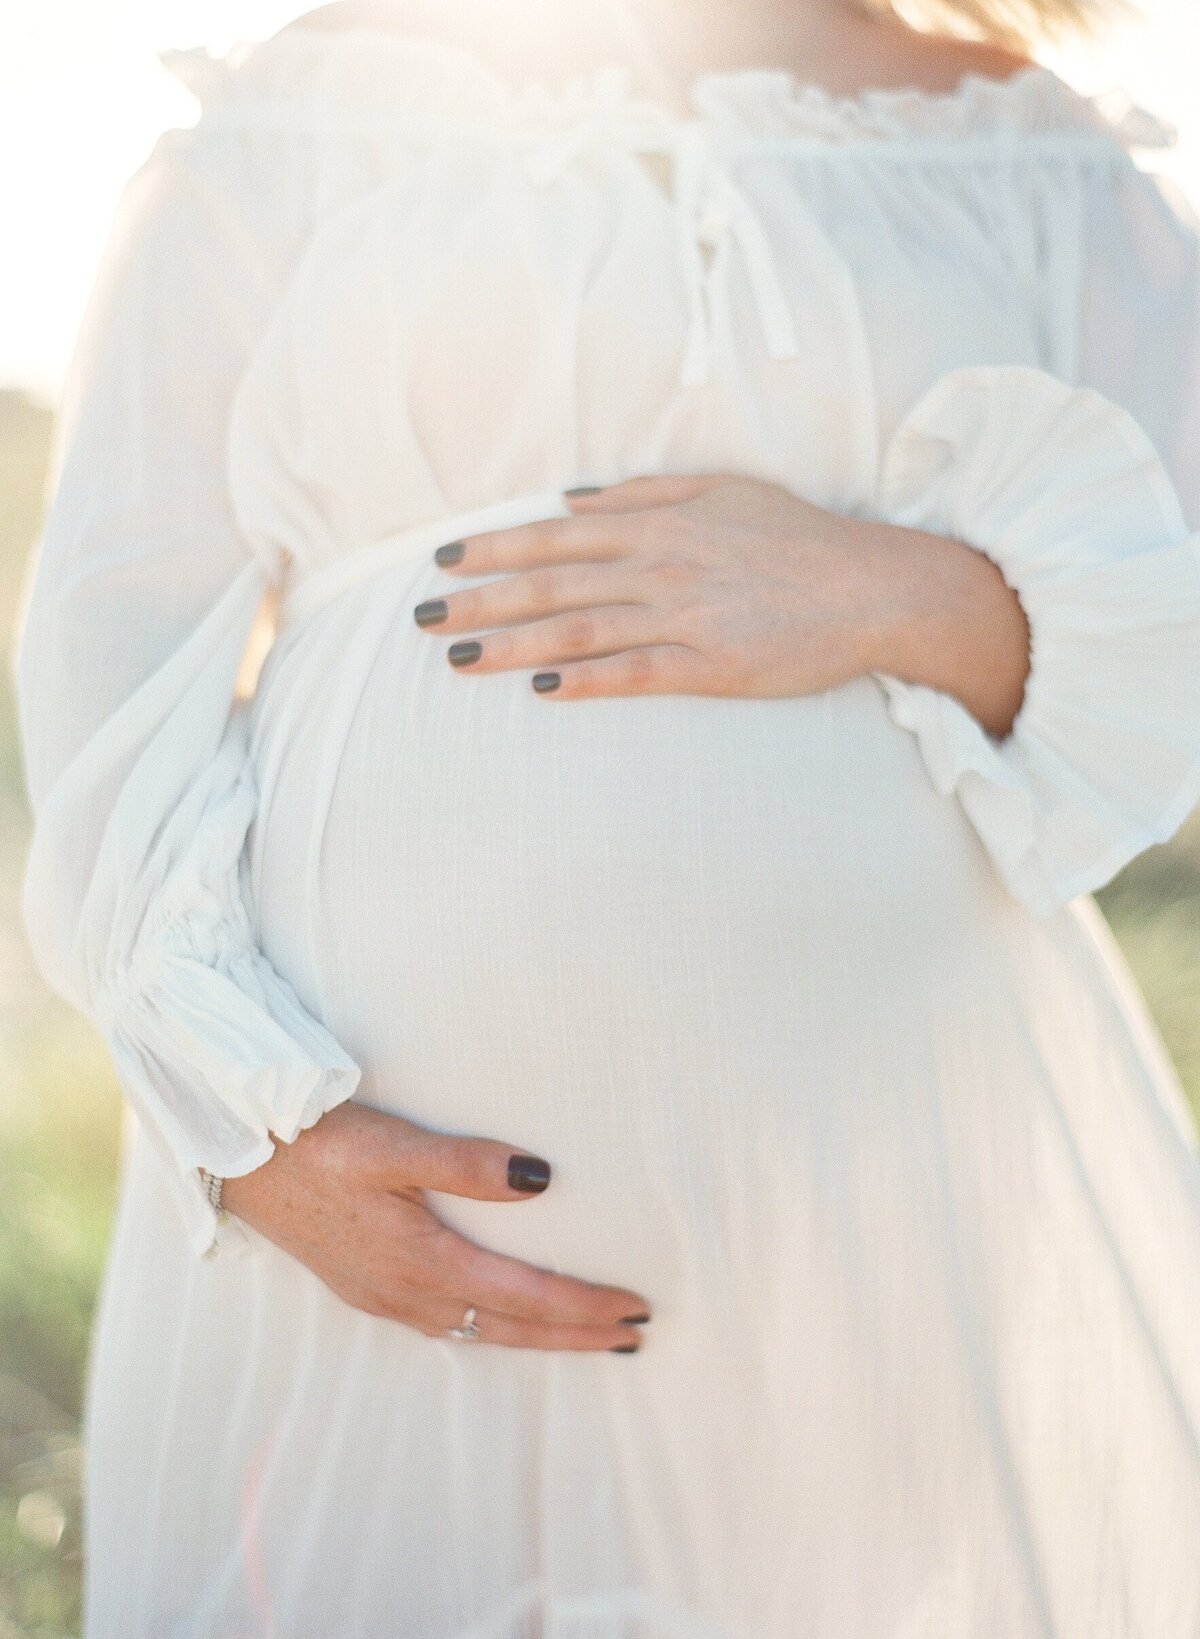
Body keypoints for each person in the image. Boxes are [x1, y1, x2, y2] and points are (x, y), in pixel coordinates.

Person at [14, 0, 1200, 1630]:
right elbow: (109, 655)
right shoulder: (295, 113)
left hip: (882, 1200)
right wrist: (248, 1121)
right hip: (373, 1218)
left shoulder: (1030, 155)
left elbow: (1176, 633)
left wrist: (893, 592)